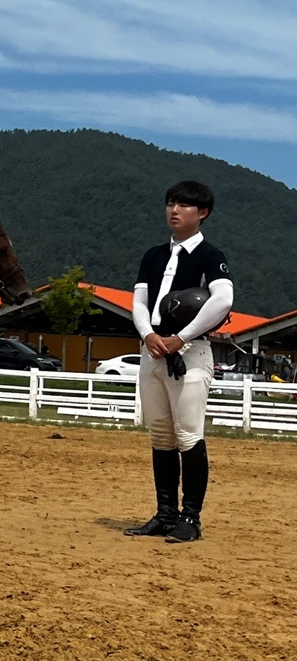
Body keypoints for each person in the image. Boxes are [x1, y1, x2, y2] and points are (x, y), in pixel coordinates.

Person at [125, 181, 234, 544]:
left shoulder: (210, 255)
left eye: (184, 205)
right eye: (170, 203)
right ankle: (165, 514)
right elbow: (139, 302)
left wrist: (182, 337)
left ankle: (191, 518)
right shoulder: (153, 255)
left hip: (190, 354)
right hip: (153, 351)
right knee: (160, 435)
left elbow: (223, 300)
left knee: (188, 435)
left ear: (202, 213)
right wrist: (148, 335)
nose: (174, 210)